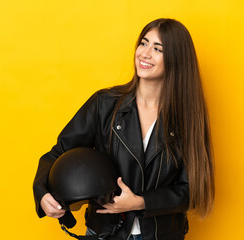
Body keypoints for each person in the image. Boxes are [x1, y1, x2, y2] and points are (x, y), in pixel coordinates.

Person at [33, 18, 215, 240]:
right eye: (143, 43)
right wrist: (43, 194)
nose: (145, 54)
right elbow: (57, 153)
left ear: (177, 59)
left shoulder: (188, 118)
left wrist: (140, 203)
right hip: (106, 233)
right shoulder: (104, 104)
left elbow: (193, 190)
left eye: (158, 48)